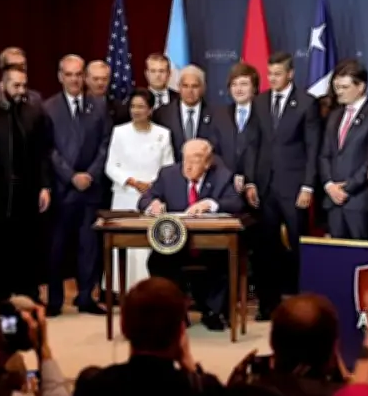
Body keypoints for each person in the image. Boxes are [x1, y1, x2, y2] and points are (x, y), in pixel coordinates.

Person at [71, 277, 229, 396]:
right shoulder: (206, 394)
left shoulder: (93, 389)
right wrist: (191, 367)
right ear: (181, 331)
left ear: (123, 326)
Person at [246, 51, 321, 320]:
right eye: (270, 74)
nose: (272, 79)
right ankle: (268, 304)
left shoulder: (307, 103)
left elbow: (313, 148)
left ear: (290, 74)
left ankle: (304, 304)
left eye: (278, 74)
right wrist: (251, 180)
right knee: (266, 248)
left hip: (294, 187)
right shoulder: (260, 102)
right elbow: (253, 144)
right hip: (265, 187)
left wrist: (308, 185)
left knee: (299, 245)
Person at [138, 139, 243, 330]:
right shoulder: (168, 174)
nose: (188, 166)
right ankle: (175, 312)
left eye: (195, 160)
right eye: (185, 159)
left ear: (208, 163)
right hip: (176, 243)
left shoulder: (222, 176)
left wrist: (210, 204)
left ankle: (213, 312)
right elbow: (145, 199)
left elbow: (236, 203)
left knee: (223, 260)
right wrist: (152, 204)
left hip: (209, 244)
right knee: (157, 261)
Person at [42, 55, 110, 317]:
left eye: (78, 74)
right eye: (68, 74)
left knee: (89, 246)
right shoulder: (48, 107)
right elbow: (48, 149)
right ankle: (55, 300)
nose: (74, 79)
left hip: (91, 189)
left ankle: (85, 297)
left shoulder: (99, 106)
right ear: (60, 76)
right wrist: (71, 176)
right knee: (56, 247)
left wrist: (90, 175)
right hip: (62, 189)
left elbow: (105, 144)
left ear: (84, 77)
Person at [0, 65, 52, 303]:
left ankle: (28, 294)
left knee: (28, 244)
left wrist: (45, 186)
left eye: (23, 86)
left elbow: (42, 152)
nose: (21, 90)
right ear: (2, 86)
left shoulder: (34, 111)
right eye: (16, 85)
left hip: (27, 190)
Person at [104, 89, 173, 292]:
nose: (136, 111)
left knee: (148, 246)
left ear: (150, 109)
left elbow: (168, 166)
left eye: (141, 106)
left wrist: (153, 185)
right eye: (133, 106)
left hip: (152, 198)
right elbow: (111, 166)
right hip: (125, 196)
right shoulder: (120, 132)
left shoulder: (162, 134)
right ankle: (120, 290)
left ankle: (149, 290)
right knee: (125, 244)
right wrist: (133, 182)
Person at [319, 59, 368, 240]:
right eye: (337, 87)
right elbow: (324, 154)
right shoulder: (334, 116)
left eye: (345, 87)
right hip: (333, 201)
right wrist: (329, 185)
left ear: (360, 87)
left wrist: (348, 188)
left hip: (359, 202)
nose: (339, 92)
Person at [153, 65, 219, 162]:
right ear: (179, 87)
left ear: (203, 88)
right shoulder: (162, 114)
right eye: (185, 86)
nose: (190, 91)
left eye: (195, 86)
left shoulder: (216, 115)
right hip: (173, 168)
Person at [213, 62, 260, 194]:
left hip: (257, 187)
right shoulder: (219, 115)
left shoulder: (264, 114)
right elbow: (214, 152)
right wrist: (229, 176)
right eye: (234, 84)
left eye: (244, 84)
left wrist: (249, 180)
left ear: (254, 87)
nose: (238, 89)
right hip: (226, 186)